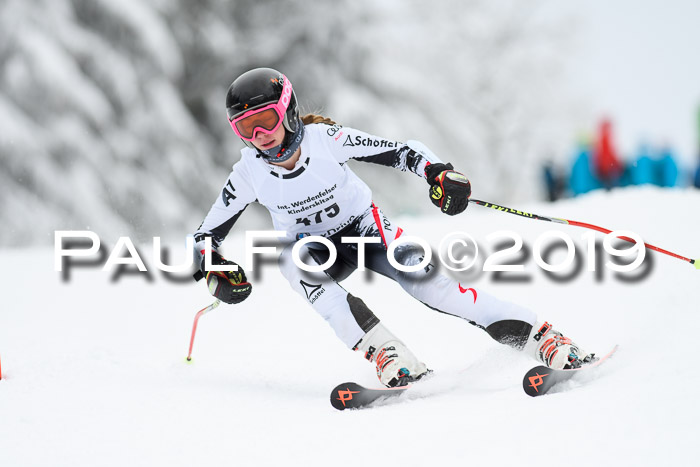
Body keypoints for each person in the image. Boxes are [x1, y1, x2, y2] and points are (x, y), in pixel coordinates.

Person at [192, 67, 594, 388]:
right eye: (246, 129)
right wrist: (213, 268)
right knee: (287, 260)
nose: (260, 137)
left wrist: (439, 174)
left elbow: (404, 152)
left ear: (289, 111)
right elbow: (204, 238)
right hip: (312, 251)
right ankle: (389, 353)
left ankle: (545, 339)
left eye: (266, 120)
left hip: (366, 231)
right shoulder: (247, 174)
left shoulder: (326, 140)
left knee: (433, 288)